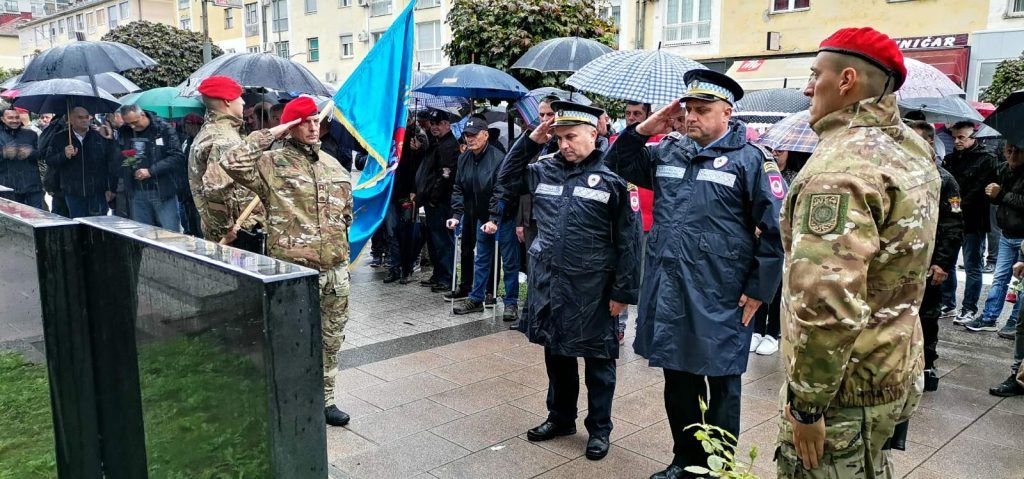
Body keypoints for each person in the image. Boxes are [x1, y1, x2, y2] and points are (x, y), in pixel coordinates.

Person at [604, 70, 785, 479]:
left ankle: (718, 468)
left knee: (721, 383)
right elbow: (617, 162)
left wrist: (760, 289)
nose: (692, 118)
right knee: (679, 380)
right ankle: (685, 460)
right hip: (670, 286)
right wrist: (646, 128)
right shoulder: (669, 151)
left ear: (728, 112)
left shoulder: (752, 160)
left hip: (722, 292)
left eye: (703, 111)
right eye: (688, 110)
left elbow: (777, 230)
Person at [777, 27, 940, 478]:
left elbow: (826, 301)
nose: (809, 87)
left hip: (844, 392)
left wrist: (807, 407)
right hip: (892, 369)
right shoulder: (910, 148)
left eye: (815, 75)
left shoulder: (839, 170)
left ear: (846, 79)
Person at [492, 101, 641, 461]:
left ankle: (599, 429)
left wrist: (623, 292)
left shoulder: (615, 174)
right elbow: (506, 179)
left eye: (571, 137)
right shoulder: (544, 170)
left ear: (595, 133)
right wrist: (530, 141)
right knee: (556, 353)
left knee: (598, 360)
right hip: (551, 281)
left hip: (594, 286)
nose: (564, 145)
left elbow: (630, 239)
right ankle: (560, 417)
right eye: (558, 138)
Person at [221, 96, 353, 427]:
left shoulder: (333, 165)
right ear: (292, 127)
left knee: (331, 340)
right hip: (294, 274)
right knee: (290, 338)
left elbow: (346, 212)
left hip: (334, 272)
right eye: (303, 121)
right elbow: (232, 161)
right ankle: (290, 398)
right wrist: (274, 131)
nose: (312, 126)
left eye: (315, 120)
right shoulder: (272, 164)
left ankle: (326, 399)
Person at [907, 121, 963, 392]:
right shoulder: (903, 174)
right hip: (905, 260)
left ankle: (927, 364)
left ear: (929, 143)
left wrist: (943, 262)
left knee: (927, 316)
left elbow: (953, 226)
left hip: (930, 261)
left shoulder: (944, 179)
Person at [449, 117, 520, 321]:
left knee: (509, 261)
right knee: (481, 258)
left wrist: (494, 218)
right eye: (467, 135)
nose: (470, 139)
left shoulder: (499, 158)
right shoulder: (464, 158)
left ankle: (511, 302)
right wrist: (456, 215)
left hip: (503, 217)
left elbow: (501, 191)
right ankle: (476, 298)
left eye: (474, 135)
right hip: (481, 216)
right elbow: (459, 188)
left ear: (486, 135)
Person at [189, 76, 266, 250]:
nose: (243, 101)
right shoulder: (225, 139)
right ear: (227, 102)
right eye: (239, 97)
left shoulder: (208, 131)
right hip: (237, 233)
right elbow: (217, 187)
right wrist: (225, 228)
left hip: (218, 227)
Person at [942, 121, 998, 323]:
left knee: (972, 264)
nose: (957, 141)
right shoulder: (950, 159)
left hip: (973, 220)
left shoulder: (987, 159)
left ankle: (969, 308)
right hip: (952, 218)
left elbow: (979, 191)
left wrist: (955, 204)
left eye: (961, 137)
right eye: (955, 137)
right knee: (947, 262)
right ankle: (948, 303)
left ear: (973, 137)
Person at [113, 104, 184, 231]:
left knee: (171, 232)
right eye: (129, 124)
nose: (133, 126)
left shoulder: (162, 128)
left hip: (162, 189)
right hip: (137, 190)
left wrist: (151, 171)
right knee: (143, 232)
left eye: (135, 122)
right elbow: (118, 157)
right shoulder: (125, 131)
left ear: (143, 115)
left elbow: (177, 156)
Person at [42, 106, 118, 218]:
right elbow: (49, 160)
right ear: (71, 120)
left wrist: (111, 188)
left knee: (98, 225)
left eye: (87, 117)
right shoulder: (60, 138)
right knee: (78, 224)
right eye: (80, 117)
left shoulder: (98, 136)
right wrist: (64, 155)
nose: (84, 120)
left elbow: (111, 162)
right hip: (72, 191)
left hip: (97, 191)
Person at [991, 142, 1024, 397]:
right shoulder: (1007, 170)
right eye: (1009, 151)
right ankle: (1018, 375)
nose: (1012, 156)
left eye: (1017, 151)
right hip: (1012, 237)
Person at [415, 109, 460, 294]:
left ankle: (447, 278)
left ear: (447, 125)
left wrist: (433, 198)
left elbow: (445, 175)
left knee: (443, 241)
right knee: (435, 241)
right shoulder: (437, 142)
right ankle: (439, 274)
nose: (434, 127)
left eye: (439, 123)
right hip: (432, 200)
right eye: (432, 124)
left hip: (442, 201)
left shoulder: (449, 145)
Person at [383, 119, 428, 284]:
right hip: (390, 191)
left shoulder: (417, 135)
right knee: (391, 232)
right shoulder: (388, 132)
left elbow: (425, 159)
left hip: (409, 192)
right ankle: (394, 268)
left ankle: (407, 269)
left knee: (408, 232)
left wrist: (419, 148)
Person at [0, 106, 43, 209]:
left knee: (37, 218)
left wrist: (31, 152)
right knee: (15, 221)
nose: (15, 120)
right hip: (8, 186)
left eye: (17, 117)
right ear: (2, 119)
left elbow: (42, 154)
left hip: (32, 185)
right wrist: (3, 153)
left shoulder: (31, 134)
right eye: (10, 118)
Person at [178, 113, 205, 237]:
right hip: (187, 189)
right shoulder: (187, 141)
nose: (186, 127)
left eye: (188, 124)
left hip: (200, 190)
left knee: (200, 226)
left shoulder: (203, 141)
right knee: (191, 224)